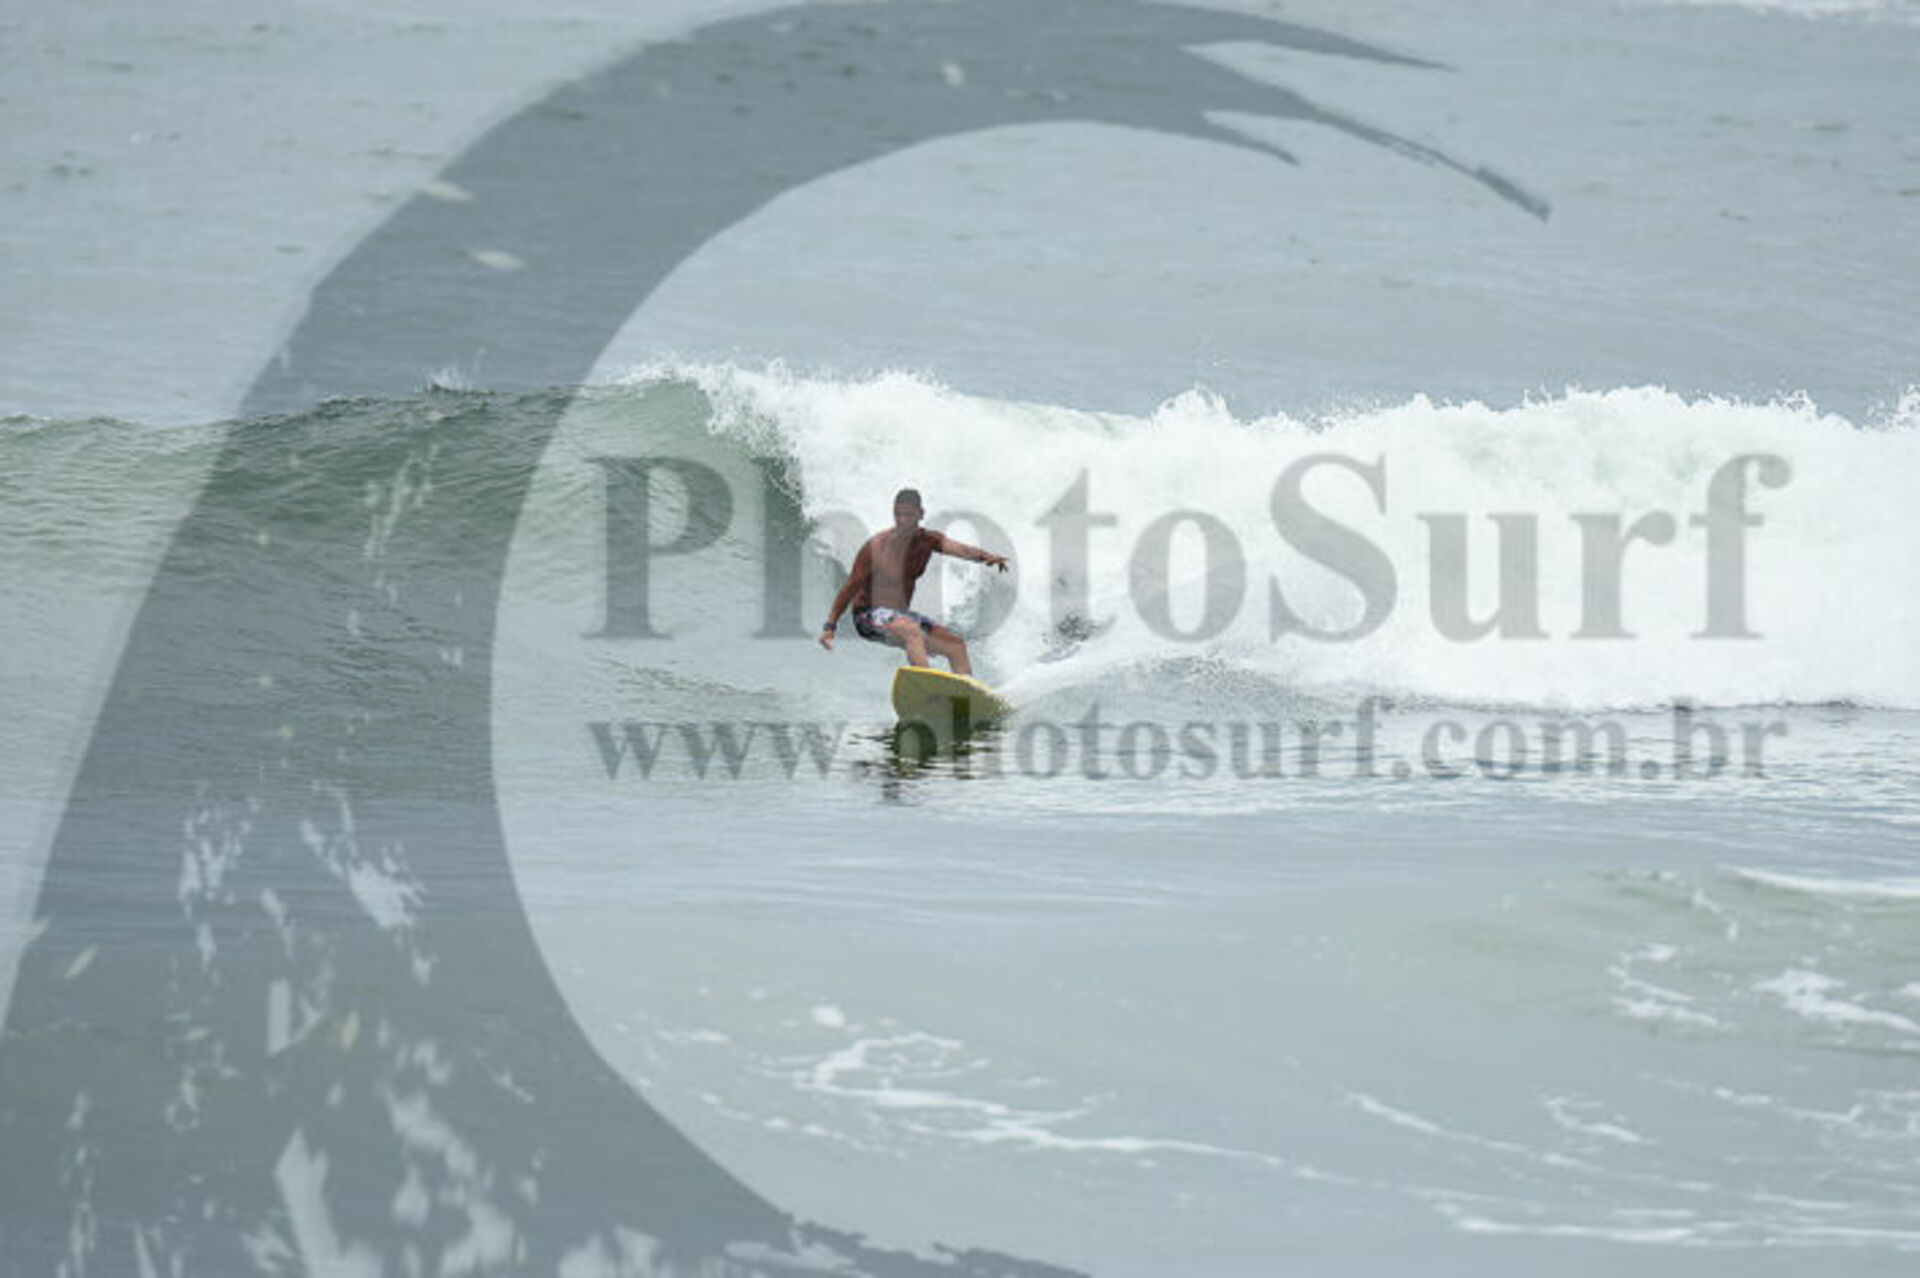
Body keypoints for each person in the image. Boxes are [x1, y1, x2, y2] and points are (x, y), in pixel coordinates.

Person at [818, 487, 1008, 675]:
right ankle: (927, 686)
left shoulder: (928, 541)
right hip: (868, 616)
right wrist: (830, 626)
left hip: (901, 617)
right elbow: (850, 587)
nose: (902, 520)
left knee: (955, 645)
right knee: (911, 630)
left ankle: (965, 694)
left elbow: (961, 550)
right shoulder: (877, 547)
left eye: (908, 515)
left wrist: (988, 557)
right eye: (898, 515)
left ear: (920, 514)